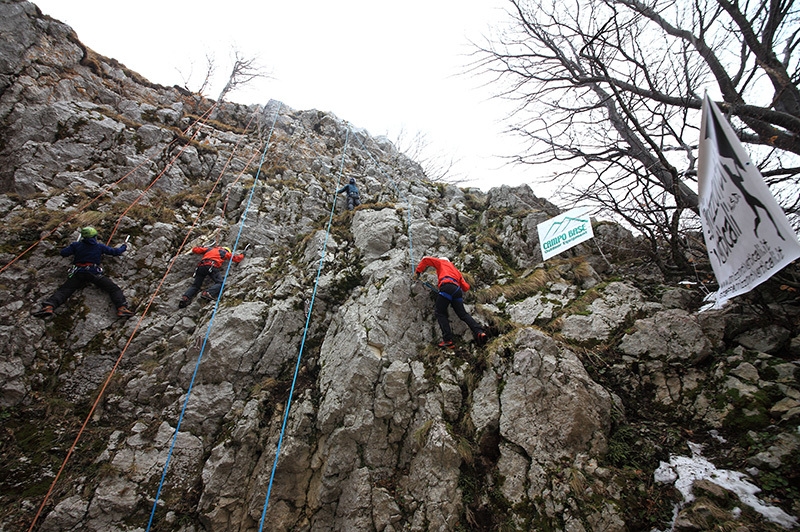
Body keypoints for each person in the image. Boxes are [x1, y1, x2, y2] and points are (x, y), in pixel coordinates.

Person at [32, 227, 134, 318]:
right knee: (113, 288)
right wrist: (124, 246)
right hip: (93, 273)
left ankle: (49, 306)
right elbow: (115, 252)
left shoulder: (76, 245)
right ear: (95, 236)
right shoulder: (99, 247)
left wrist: (73, 246)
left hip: (78, 272)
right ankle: (121, 308)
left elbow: (63, 253)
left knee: (65, 290)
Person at [415, 256, 487, 348]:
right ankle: (479, 331)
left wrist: (418, 272)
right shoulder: (456, 270)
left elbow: (425, 259)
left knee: (440, 312)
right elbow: (466, 287)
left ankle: (447, 340)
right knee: (463, 314)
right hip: (457, 291)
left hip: (446, 286)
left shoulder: (441, 262)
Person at [179, 245, 245, 307]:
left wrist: (200, 246)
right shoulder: (223, 252)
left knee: (196, 285)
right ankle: (208, 293)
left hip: (200, 267)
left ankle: (185, 298)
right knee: (220, 283)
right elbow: (236, 258)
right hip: (211, 266)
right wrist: (243, 255)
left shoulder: (209, 249)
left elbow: (195, 250)